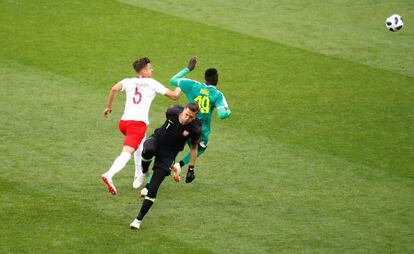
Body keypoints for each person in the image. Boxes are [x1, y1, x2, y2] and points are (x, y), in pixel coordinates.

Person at [101, 57, 181, 195]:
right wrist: (181, 85)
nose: (152, 70)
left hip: (124, 123)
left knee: (141, 144)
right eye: (150, 68)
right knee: (127, 153)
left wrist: (109, 107)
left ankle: (139, 174)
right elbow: (174, 96)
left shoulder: (128, 81)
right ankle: (109, 174)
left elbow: (114, 88)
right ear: (144, 71)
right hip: (137, 125)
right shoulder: (151, 83)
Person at [130, 103, 201, 230]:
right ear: (183, 110)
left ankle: (138, 220)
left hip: (169, 155)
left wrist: (191, 168)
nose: (186, 119)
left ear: (195, 117)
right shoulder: (172, 111)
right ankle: (144, 172)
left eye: (191, 117)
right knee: (148, 149)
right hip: (156, 140)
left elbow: (194, 148)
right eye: (186, 115)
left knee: (154, 187)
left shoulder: (195, 129)